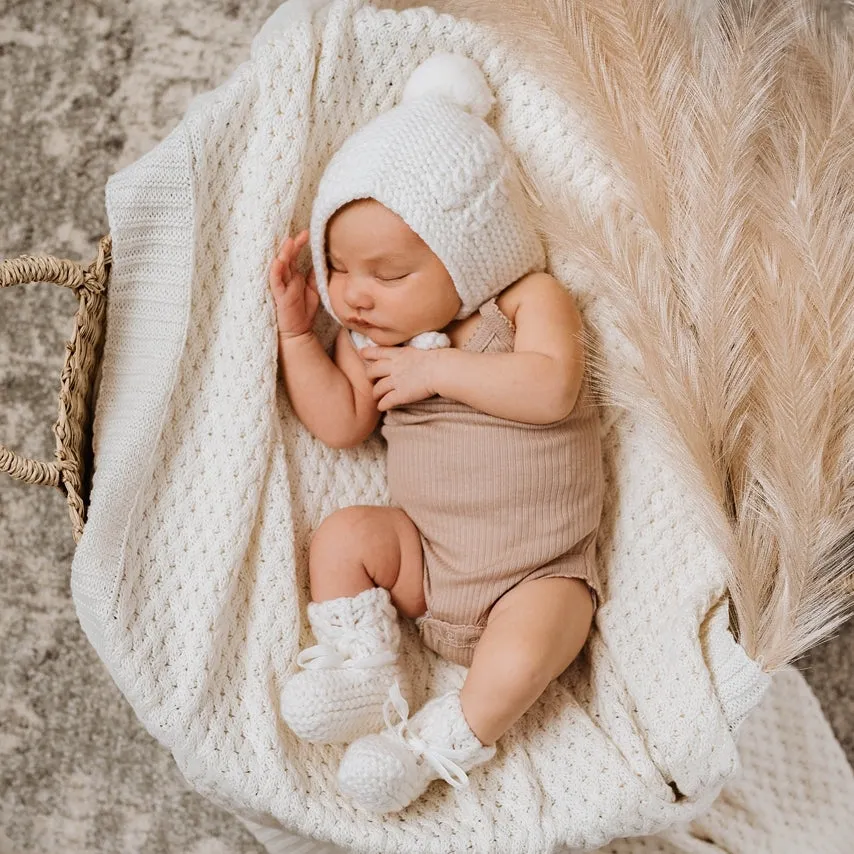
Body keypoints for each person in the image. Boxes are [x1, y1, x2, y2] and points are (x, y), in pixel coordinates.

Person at [268, 52, 605, 814]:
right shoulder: (368, 344)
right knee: (345, 534)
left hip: (538, 570)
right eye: (339, 268)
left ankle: (434, 741)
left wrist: (440, 373)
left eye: (387, 275)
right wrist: (298, 335)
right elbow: (341, 423)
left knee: (540, 634)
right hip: (429, 565)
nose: (354, 294)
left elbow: (551, 388)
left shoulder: (524, 303)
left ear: (469, 254)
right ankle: (362, 667)